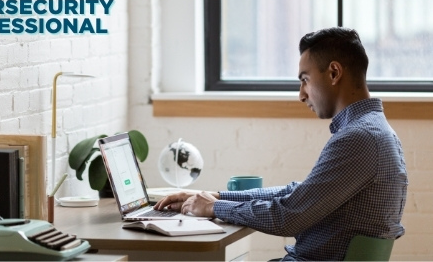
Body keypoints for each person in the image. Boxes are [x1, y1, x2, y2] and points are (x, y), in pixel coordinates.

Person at [154, 27, 408, 261]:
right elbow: (298, 194)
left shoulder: (359, 139)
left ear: (334, 73)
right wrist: (217, 196)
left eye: (305, 79)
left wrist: (214, 207)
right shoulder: (373, 132)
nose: (301, 94)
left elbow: (289, 216)